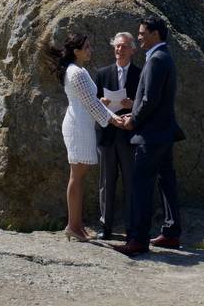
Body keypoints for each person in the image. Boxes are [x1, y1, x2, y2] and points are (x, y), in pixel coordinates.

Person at [113, 17, 184, 256]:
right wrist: (133, 114)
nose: (140, 37)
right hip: (164, 133)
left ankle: (138, 239)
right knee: (167, 183)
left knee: (141, 186)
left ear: (155, 34)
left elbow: (149, 100)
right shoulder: (164, 57)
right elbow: (153, 100)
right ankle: (171, 233)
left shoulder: (156, 60)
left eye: (143, 33)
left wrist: (133, 120)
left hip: (151, 136)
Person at [45, 33, 124, 242]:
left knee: (79, 175)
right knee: (77, 176)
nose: (91, 50)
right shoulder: (76, 73)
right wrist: (114, 119)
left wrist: (103, 104)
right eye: (87, 47)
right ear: (76, 51)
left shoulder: (79, 70)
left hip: (83, 122)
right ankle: (73, 226)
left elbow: (89, 100)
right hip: (78, 125)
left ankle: (77, 225)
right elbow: (89, 103)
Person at [93, 32, 140, 240]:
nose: (119, 50)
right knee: (106, 183)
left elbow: (147, 103)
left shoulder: (140, 75)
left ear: (132, 49)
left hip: (129, 137)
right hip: (108, 136)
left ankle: (132, 227)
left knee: (131, 183)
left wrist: (133, 105)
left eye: (123, 47)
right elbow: (92, 103)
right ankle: (106, 226)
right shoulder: (102, 73)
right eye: (116, 46)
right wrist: (101, 103)